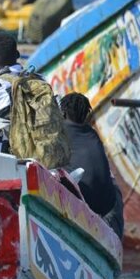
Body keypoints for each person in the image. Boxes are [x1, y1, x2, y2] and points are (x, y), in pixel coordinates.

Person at [60, 93, 124, 238]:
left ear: (63, 112)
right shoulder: (92, 134)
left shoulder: (59, 133)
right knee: (115, 186)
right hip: (108, 208)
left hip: (83, 206)